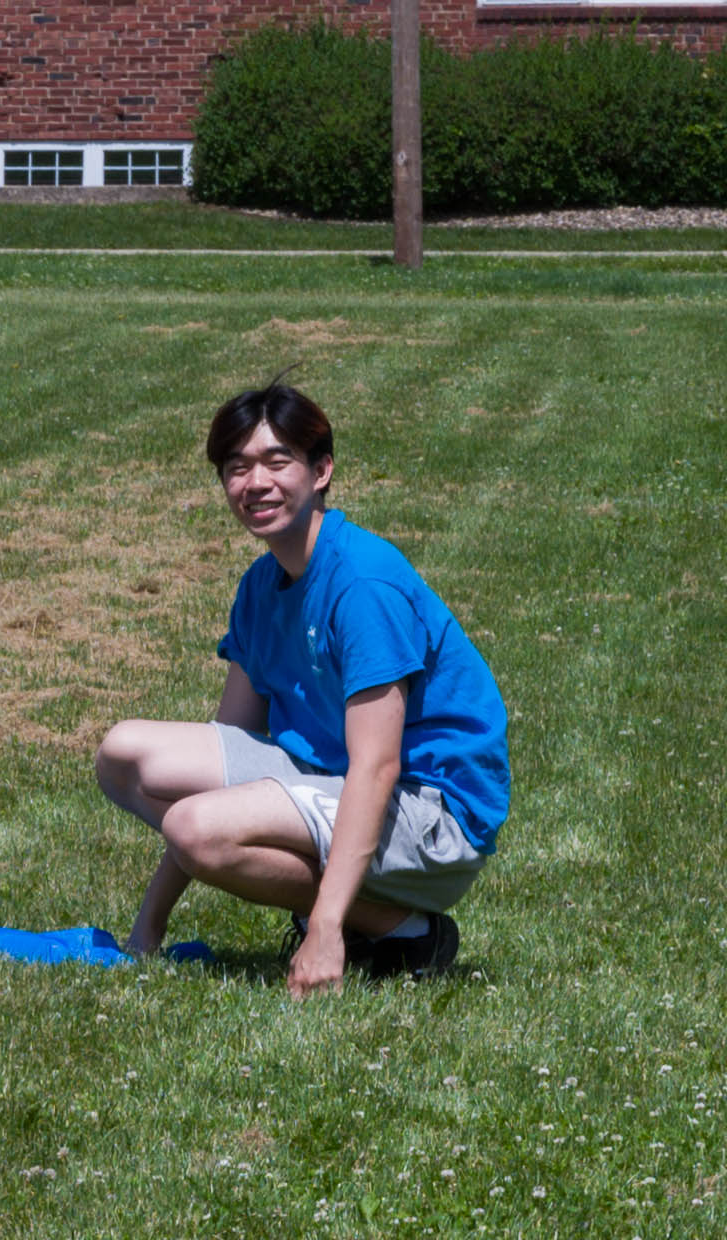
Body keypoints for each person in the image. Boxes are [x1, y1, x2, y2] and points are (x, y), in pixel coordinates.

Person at [95, 382, 511, 990]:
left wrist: (324, 932)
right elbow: (226, 744)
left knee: (196, 827)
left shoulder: (363, 584)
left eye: (276, 462)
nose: (254, 483)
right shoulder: (262, 588)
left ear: (321, 471)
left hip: (431, 817)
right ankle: (383, 920)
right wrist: (147, 930)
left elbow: (378, 765)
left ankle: (401, 931)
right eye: (236, 468)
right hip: (334, 781)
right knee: (124, 755)